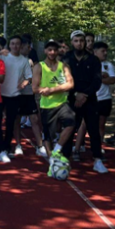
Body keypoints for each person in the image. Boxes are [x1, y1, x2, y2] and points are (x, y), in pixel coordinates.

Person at [62, 31, 107, 174]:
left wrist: (85, 95)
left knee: (93, 130)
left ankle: (97, 160)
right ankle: (65, 160)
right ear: (72, 42)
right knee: (69, 129)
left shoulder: (94, 60)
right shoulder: (66, 59)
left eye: (82, 40)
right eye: (76, 40)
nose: (79, 43)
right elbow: (63, 79)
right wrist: (75, 94)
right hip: (72, 99)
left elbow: (97, 81)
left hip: (90, 99)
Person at [32, 40, 75, 173]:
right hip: (47, 105)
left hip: (62, 103)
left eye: (54, 50)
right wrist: (44, 90)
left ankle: (57, 150)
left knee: (71, 122)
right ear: (45, 51)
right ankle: (52, 161)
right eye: (49, 50)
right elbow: (35, 88)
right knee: (48, 135)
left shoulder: (64, 66)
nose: (52, 52)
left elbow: (70, 84)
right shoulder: (39, 66)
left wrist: (52, 90)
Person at [76, 42, 115, 157]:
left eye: (106, 51)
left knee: (101, 124)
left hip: (105, 99)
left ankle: (98, 148)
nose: (105, 53)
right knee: (84, 124)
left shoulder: (108, 65)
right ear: (95, 52)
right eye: (102, 51)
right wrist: (99, 77)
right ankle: (77, 148)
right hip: (91, 98)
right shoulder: (87, 63)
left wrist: (99, 79)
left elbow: (112, 80)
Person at [0, 35, 32, 164]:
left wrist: (24, 83)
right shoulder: (3, 56)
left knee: (10, 123)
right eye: (12, 43)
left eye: (17, 44)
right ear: (9, 45)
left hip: (15, 95)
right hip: (0, 94)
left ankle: (7, 147)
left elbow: (29, 76)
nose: (15, 46)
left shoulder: (24, 60)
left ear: (21, 46)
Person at [14, 35, 48, 159]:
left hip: (29, 95)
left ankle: (40, 146)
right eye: (27, 47)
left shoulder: (30, 61)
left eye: (30, 47)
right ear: (21, 47)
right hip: (17, 95)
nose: (29, 49)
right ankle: (18, 145)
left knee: (34, 119)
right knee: (16, 120)